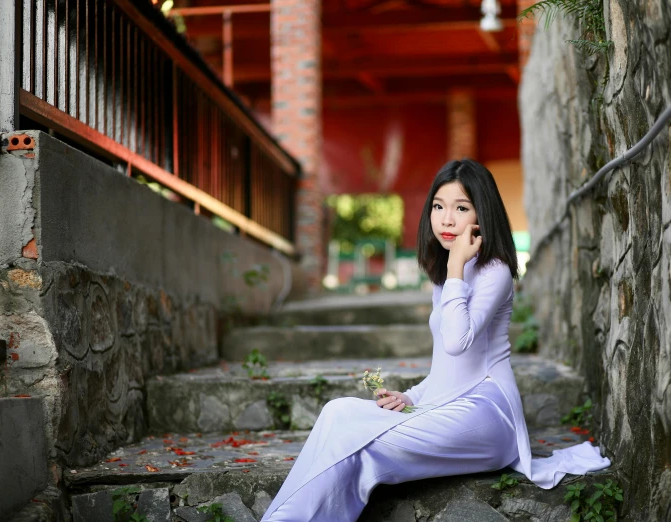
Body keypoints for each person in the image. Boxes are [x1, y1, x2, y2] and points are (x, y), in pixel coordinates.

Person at [261, 159, 610, 522]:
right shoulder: (445, 277)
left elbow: (458, 343)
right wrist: (411, 396)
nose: (446, 219)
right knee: (338, 414)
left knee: (357, 444)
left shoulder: (495, 272)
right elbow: (447, 366)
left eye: (461, 208)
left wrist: (457, 265)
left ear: (482, 214)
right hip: (450, 405)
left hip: (488, 415)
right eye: (438, 207)